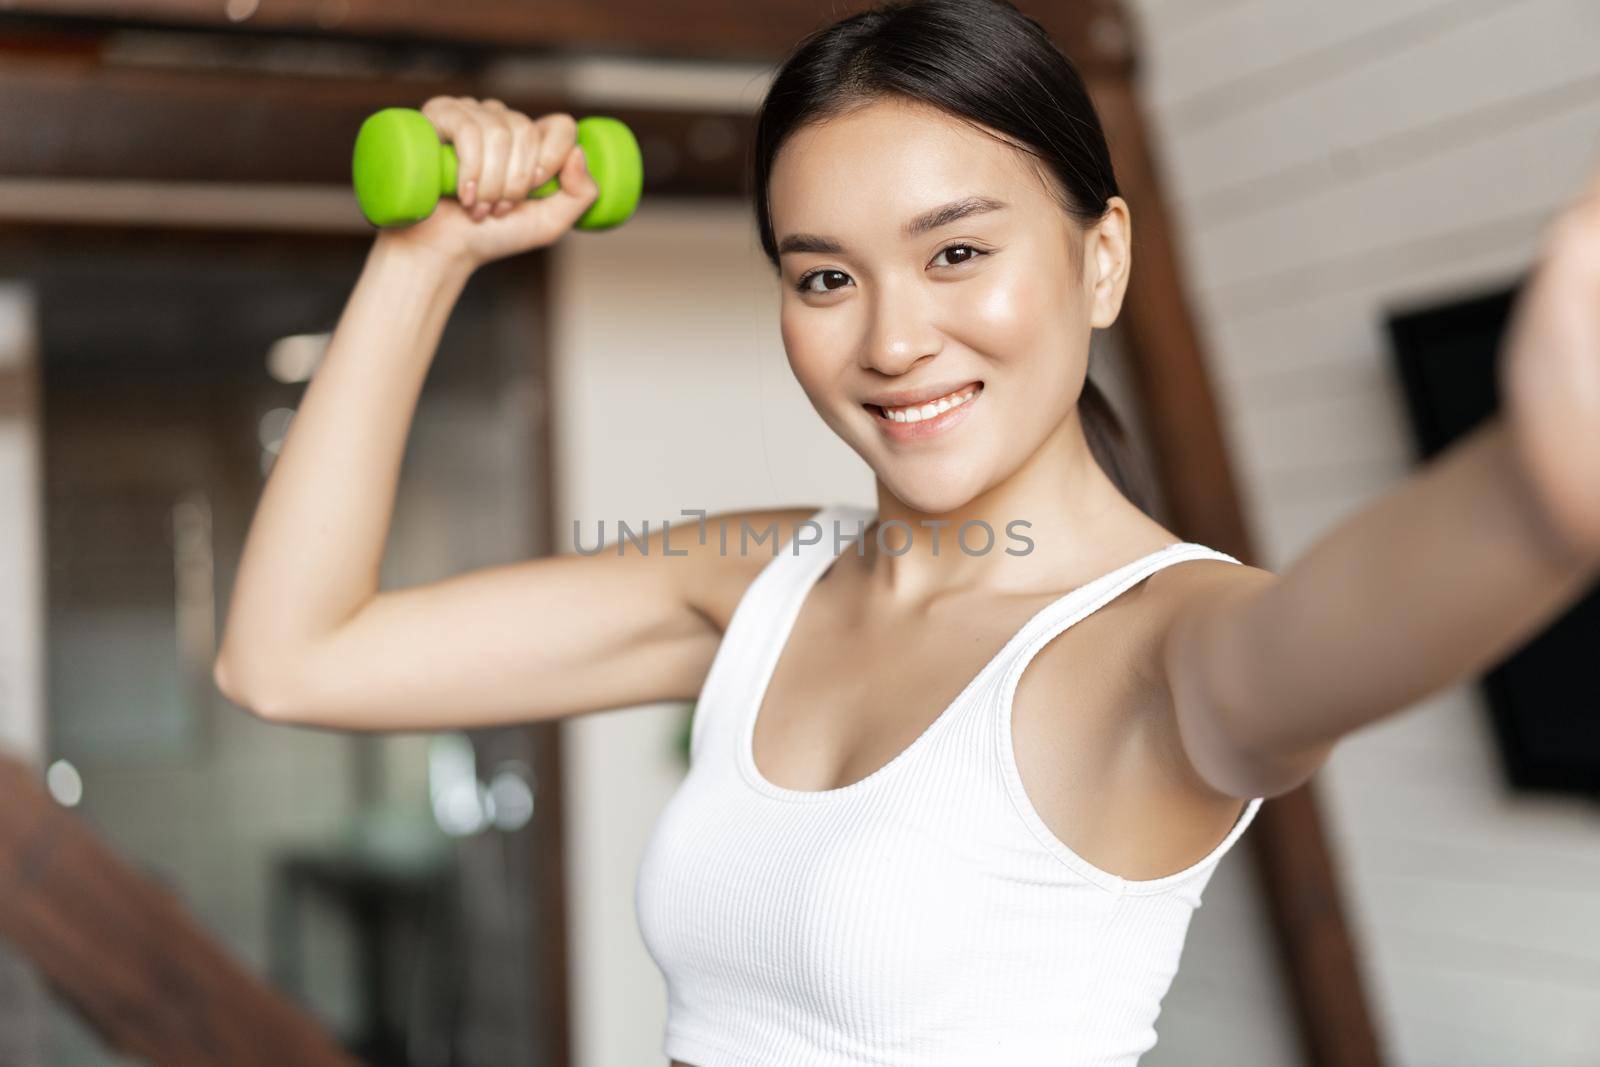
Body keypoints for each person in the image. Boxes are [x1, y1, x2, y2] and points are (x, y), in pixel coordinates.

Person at [213, 0, 1600, 1062]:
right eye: (825, 275)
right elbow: (293, 659)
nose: (890, 339)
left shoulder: (1152, 649)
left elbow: (1319, 637)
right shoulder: (753, 576)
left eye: (956, 253)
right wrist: (423, 259)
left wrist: (1536, 491)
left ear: (1100, 258)